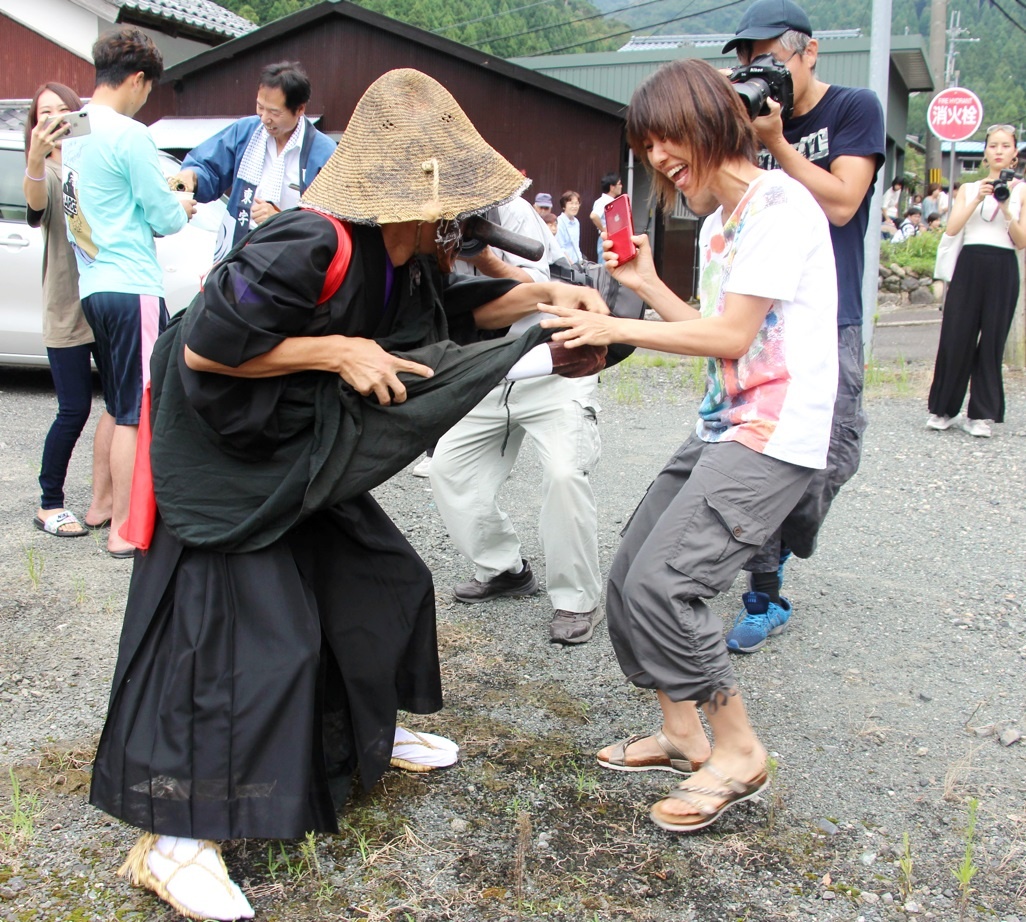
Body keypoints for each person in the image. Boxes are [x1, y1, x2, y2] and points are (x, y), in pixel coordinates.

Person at [91, 68, 609, 922]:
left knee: (383, 577)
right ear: (411, 198)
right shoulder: (308, 240)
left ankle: (363, 731)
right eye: (455, 213)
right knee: (258, 641)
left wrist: (547, 295)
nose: (464, 229)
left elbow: (451, 312)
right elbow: (209, 350)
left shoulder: (403, 256)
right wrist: (333, 354)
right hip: (224, 452)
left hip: (291, 442)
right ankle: (173, 842)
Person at [541, 57, 837, 833]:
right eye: (647, 148)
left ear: (709, 120)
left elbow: (736, 333)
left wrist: (611, 325)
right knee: (632, 572)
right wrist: (639, 282)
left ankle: (737, 751)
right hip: (724, 421)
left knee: (668, 584)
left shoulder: (783, 207)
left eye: (667, 138)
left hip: (776, 433)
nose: (660, 159)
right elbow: (715, 336)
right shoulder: (719, 224)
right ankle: (681, 734)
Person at [721, 0, 885, 653]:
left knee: (836, 452)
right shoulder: (744, 120)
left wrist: (777, 144)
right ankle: (763, 592)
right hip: (762, 313)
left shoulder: (853, 108)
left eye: (770, 61)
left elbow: (844, 203)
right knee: (761, 452)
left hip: (833, 311)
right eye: (746, 64)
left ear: (808, 53)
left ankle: (786, 538)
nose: (759, 75)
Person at [430, 194, 604, 645]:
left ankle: (577, 600)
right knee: (449, 469)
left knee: (565, 473)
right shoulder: (423, 217)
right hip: (482, 371)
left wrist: (482, 255)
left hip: (552, 364)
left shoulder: (513, 214)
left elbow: (536, 289)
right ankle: (503, 570)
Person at [61, 27, 194, 558]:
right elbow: (163, 215)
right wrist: (180, 206)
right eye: (148, 90)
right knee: (138, 407)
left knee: (116, 402)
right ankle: (124, 528)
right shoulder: (129, 135)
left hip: (93, 282)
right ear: (138, 80)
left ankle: (100, 505)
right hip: (131, 282)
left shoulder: (73, 131)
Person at [22, 83, 112, 539]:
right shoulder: (46, 173)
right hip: (67, 311)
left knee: (123, 406)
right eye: (44, 114)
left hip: (108, 301)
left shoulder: (90, 165)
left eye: (63, 111)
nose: (55, 120)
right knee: (74, 409)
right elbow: (35, 204)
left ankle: (109, 499)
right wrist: (36, 159)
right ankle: (49, 503)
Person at [169, 61, 336, 263]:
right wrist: (192, 177)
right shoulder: (246, 131)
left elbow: (329, 224)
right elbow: (209, 166)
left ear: (300, 109)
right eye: (260, 107)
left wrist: (281, 219)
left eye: (274, 112)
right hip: (239, 248)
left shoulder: (324, 153)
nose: (265, 118)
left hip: (292, 257)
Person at [926, 123, 1026, 438]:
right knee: (957, 335)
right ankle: (944, 409)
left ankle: (982, 414)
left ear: (1014, 155)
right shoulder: (969, 188)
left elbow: (1021, 241)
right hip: (969, 264)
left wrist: (1006, 206)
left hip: (1003, 266)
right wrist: (976, 199)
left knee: (992, 340)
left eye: (1005, 146)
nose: (998, 151)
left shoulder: (1021, 189)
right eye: (993, 145)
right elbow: (952, 228)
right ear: (985, 152)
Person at [590, 172, 622, 259]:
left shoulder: (612, 201)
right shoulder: (603, 201)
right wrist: (604, 229)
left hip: (613, 238)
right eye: (619, 184)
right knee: (605, 268)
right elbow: (594, 216)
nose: (621, 186)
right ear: (612, 187)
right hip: (606, 238)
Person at [556, 189, 585, 264]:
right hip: (566, 264)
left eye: (577, 203)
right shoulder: (559, 222)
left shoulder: (576, 222)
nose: (574, 206)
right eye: (571, 203)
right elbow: (560, 247)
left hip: (576, 263)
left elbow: (576, 244)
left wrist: (581, 261)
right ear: (564, 206)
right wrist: (570, 263)